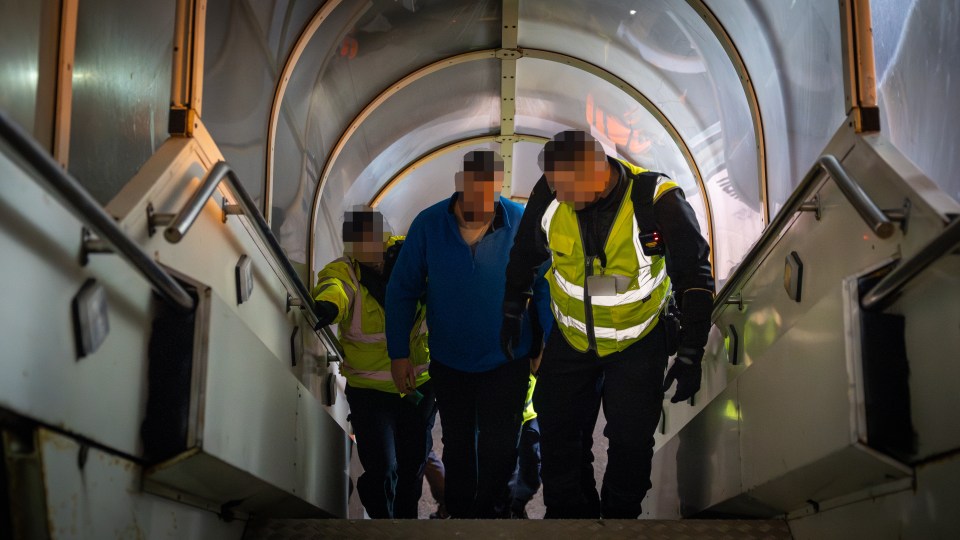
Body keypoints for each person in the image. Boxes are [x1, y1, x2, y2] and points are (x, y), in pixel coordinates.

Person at [501, 130, 715, 519]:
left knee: (631, 441)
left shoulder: (657, 201)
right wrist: (513, 307)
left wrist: (691, 352)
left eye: (565, 188)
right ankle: (569, 515)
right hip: (571, 340)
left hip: (637, 343)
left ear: (596, 172)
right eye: (554, 187)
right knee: (559, 433)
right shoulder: (552, 190)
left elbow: (696, 277)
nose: (558, 197)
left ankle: (619, 520)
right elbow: (526, 253)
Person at [386, 150, 548, 518]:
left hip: (507, 358)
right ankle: (459, 514)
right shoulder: (429, 224)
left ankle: (495, 514)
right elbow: (403, 289)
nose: (482, 202)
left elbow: (543, 286)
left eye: (490, 193)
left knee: (502, 445)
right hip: (450, 359)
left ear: (499, 188)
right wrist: (399, 353)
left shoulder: (521, 221)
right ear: (460, 185)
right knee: (458, 445)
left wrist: (543, 345)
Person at [312, 207, 437, 519]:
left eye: (370, 237)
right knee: (382, 467)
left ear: (384, 235)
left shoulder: (411, 256)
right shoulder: (345, 271)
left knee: (412, 465)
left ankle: (407, 521)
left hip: (416, 386)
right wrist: (327, 305)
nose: (365, 246)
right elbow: (335, 288)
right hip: (370, 391)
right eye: (357, 240)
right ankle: (383, 521)